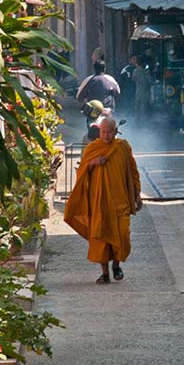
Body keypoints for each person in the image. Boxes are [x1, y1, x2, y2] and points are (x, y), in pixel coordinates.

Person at [64, 117, 143, 284]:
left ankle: (116, 265)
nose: (107, 135)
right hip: (99, 202)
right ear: (99, 132)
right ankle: (105, 273)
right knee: (100, 238)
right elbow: (81, 175)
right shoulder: (93, 148)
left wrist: (137, 194)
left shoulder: (122, 147)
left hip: (120, 201)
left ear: (116, 131)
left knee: (122, 236)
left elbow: (133, 172)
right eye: (103, 132)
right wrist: (93, 163)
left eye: (110, 132)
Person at [132, 57, 152, 121]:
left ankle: (137, 121)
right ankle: (143, 121)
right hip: (145, 91)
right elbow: (149, 81)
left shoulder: (135, 71)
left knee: (137, 106)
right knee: (143, 107)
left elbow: (133, 79)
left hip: (138, 90)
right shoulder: (145, 71)